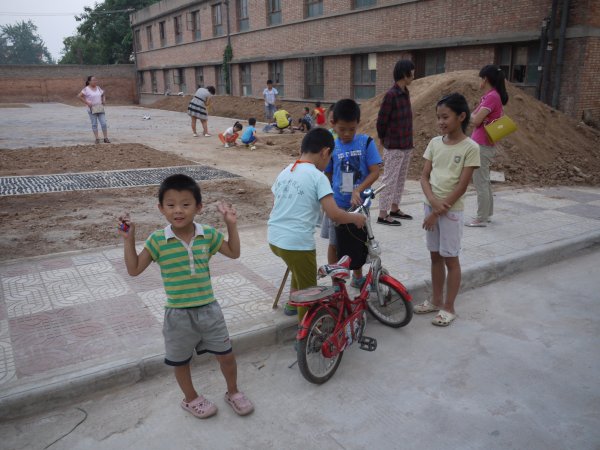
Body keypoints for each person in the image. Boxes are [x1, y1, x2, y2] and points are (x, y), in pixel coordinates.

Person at [117, 174, 254, 418]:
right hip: (177, 313)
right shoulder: (158, 240)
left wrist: (231, 224)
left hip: (209, 310)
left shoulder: (208, 234)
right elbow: (134, 269)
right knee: (179, 362)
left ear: (198, 207)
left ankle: (232, 392)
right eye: (170, 205)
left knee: (227, 355)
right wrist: (129, 240)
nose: (178, 210)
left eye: (185, 204)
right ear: (161, 208)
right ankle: (191, 399)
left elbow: (233, 252)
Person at [268, 128, 367, 317]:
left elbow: (280, 202)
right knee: (308, 291)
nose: (328, 163)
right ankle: (305, 335)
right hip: (297, 244)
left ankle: (291, 304)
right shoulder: (317, 176)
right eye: (330, 158)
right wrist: (355, 218)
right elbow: (334, 214)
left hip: (274, 238)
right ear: (325, 152)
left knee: (299, 268)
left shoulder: (286, 171)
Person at [415, 93, 480, 327]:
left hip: (451, 211)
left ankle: (449, 307)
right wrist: (432, 202)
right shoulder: (434, 143)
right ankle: (435, 300)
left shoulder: (471, 147)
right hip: (431, 206)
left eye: (446, 117)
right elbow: (423, 177)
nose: (441, 122)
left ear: (461, 116)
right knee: (435, 256)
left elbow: (462, 186)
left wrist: (437, 210)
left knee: (450, 259)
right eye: (438, 117)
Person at [321, 99, 381, 289]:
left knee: (359, 242)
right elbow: (328, 174)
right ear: (333, 124)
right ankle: (336, 281)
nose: (347, 134)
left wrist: (359, 189)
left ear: (358, 124)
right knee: (335, 243)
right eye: (342, 129)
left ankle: (357, 276)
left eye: (351, 129)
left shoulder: (366, 142)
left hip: (360, 207)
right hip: (337, 206)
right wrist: (327, 198)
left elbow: (375, 171)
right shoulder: (331, 146)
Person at [466, 65, 509, 227]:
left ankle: (481, 217)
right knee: (484, 180)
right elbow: (475, 116)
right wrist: (475, 117)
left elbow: (475, 119)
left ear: (485, 79)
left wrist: (472, 117)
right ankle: (487, 214)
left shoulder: (492, 97)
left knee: (480, 182)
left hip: (482, 145)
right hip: (483, 144)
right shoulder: (490, 96)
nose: (479, 81)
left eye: (480, 78)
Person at [376, 59, 415, 226]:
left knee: (400, 179)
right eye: (412, 72)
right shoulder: (391, 95)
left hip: (406, 144)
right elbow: (381, 122)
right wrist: (385, 140)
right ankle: (382, 214)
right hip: (394, 145)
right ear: (404, 74)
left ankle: (394, 208)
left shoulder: (405, 92)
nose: (413, 75)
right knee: (389, 180)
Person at [77, 75, 110, 144]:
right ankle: (97, 138)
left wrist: (103, 100)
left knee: (103, 123)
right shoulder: (86, 89)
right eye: (94, 80)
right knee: (94, 124)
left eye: (96, 80)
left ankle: (105, 138)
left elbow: (103, 94)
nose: (95, 81)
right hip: (91, 109)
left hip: (100, 108)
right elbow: (79, 96)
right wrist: (87, 102)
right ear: (89, 82)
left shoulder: (98, 88)